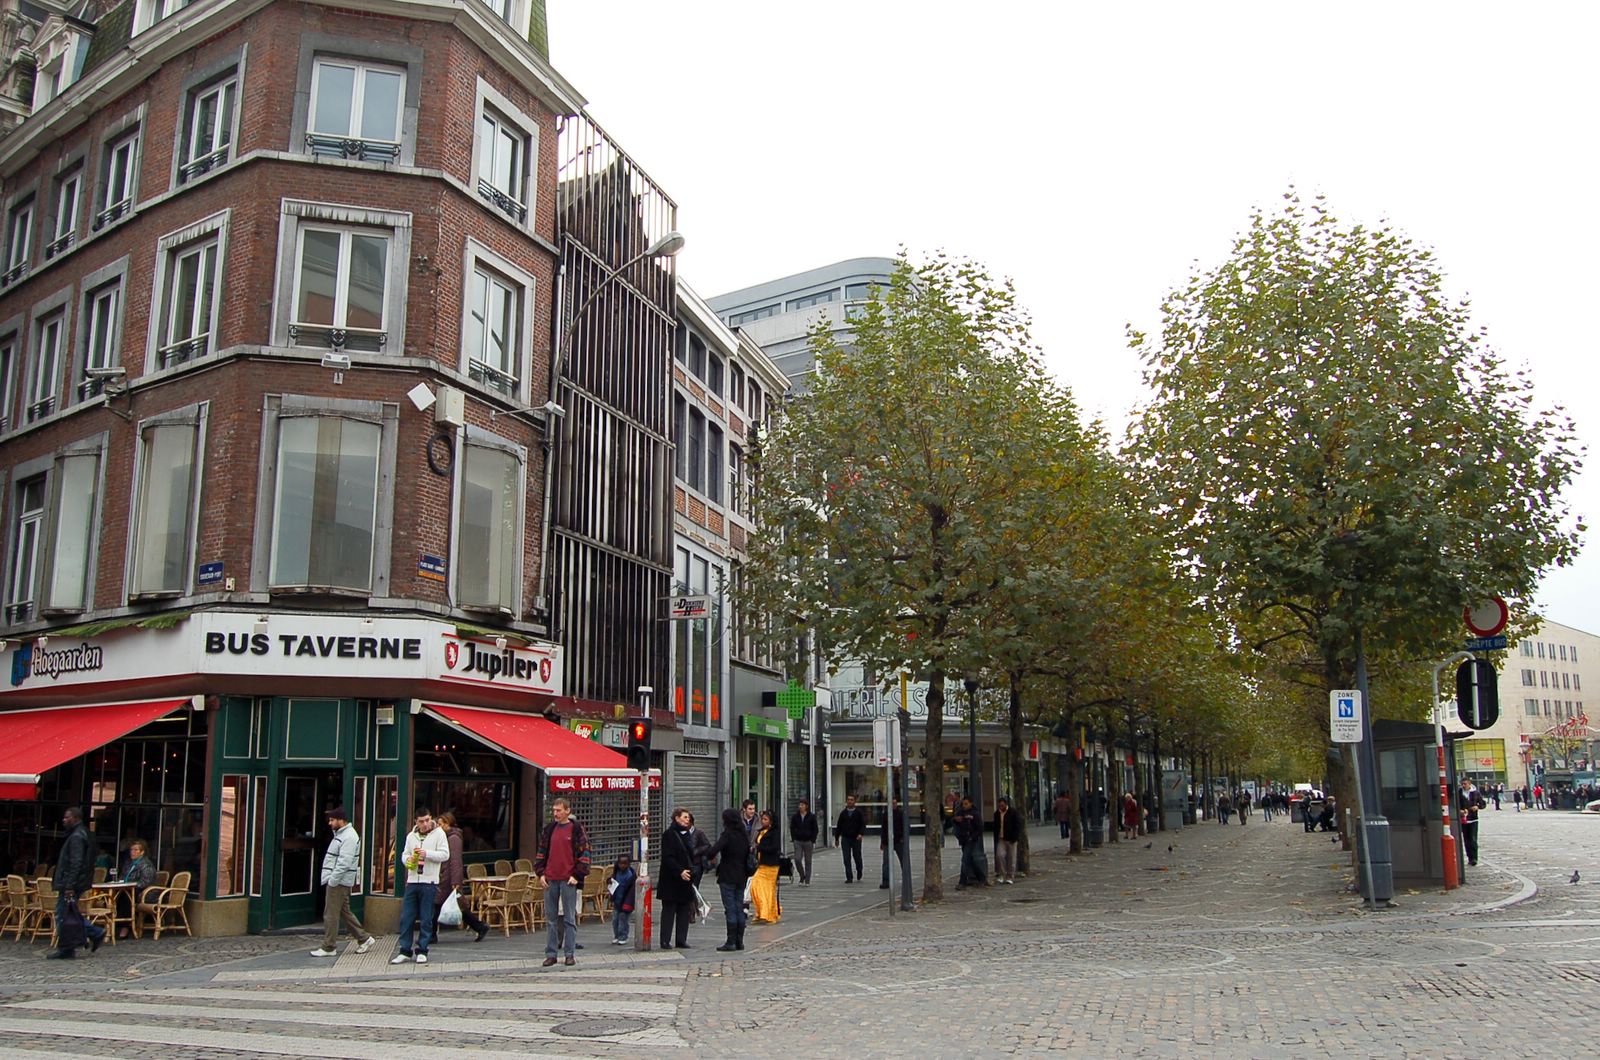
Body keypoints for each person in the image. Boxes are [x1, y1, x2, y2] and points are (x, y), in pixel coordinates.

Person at [312, 807, 377, 957]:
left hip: (339, 881)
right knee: (344, 912)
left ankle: (329, 947)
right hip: (340, 880)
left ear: (341, 820)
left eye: (332, 820)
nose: (329, 823)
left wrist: (332, 880)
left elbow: (344, 862)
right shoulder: (343, 835)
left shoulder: (348, 837)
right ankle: (364, 938)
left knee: (331, 914)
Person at [534, 796, 590, 967]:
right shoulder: (549, 829)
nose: (556, 814)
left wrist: (577, 875)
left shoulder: (576, 829)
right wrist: (541, 873)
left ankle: (569, 953)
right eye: (554, 810)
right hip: (550, 878)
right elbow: (542, 851)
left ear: (567, 811)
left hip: (568, 879)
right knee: (551, 919)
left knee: (569, 918)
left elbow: (585, 852)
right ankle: (551, 953)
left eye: (559, 810)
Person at [47, 806, 106, 959]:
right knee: (68, 913)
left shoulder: (77, 837)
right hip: (75, 881)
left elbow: (76, 863)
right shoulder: (81, 833)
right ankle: (72, 945)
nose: (64, 820)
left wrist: (69, 885)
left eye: (67, 817)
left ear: (75, 818)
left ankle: (85, 938)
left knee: (63, 914)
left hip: (72, 882)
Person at [391, 807, 448, 964]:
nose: (425, 824)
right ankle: (405, 950)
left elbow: (445, 854)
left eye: (427, 820)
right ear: (416, 821)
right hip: (412, 880)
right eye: (421, 821)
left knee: (426, 918)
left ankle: (423, 950)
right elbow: (404, 854)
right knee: (406, 917)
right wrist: (407, 860)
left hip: (429, 882)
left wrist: (426, 853)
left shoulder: (439, 834)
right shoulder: (411, 836)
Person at [433, 811, 489, 943]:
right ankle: (480, 926)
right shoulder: (445, 837)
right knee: (455, 905)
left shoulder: (453, 838)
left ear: (447, 824)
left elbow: (455, 860)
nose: (438, 827)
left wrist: (455, 880)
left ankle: (431, 935)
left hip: (448, 878)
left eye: (440, 824)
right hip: (445, 876)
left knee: (436, 905)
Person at [706, 808, 751, 951]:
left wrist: (708, 855)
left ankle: (731, 941)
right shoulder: (744, 835)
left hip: (728, 875)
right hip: (742, 875)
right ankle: (739, 941)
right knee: (739, 907)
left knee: (730, 908)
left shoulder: (727, 835)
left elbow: (713, 851)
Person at [658, 807, 698, 949]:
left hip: (686, 879)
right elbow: (667, 857)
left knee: (684, 910)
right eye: (685, 817)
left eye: (688, 817)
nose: (687, 820)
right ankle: (665, 940)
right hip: (671, 879)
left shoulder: (688, 835)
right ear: (677, 818)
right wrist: (679, 870)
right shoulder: (669, 834)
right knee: (669, 910)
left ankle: (681, 939)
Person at [116, 838, 157, 939]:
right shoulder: (128, 863)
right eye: (131, 850)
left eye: (136, 850)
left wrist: (130, 885)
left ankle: (125, 926)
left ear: (142, 852)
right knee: (114, 895)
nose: (132, 852)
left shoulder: (146, 865)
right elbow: (122, 876)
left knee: (125, 897)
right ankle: (114, 922)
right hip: (127, 890)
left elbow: (145, 882)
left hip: (143, 893)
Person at [751, 810, 783, 924]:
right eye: (762, 819)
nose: (763, 821)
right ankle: (762, 912)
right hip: (762, 864)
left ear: (771, 821)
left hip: (771, 865)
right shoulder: (762, 831)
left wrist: (760, 847)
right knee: (755, 887)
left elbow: (774, 847)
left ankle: (768, 914)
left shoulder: (774, 832)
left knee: (767, 890)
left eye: (765, 819)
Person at [952, 795, 986, 887]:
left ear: (971, 804)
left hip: (971, 839)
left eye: (966, 804)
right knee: (970, 860)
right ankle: (981, 877)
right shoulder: (961, 812)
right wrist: (956, 820)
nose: (964, 806)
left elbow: (980, 828)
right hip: (963, 839)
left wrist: (972, 837)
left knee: (965, 860)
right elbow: (955, 822)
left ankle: (962, 882)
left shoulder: (975, 813)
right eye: (963, 804)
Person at [836, 794, 866, 883]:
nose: (850, 801)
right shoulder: (843, 813)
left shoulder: (859, 813)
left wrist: (861, 834)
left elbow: (863, 824)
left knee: (857, 856)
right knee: (846, 858)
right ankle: (849, 877)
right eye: (848, 800)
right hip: (845, 838)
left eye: (851, 800)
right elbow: (839, 826)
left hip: (856, 838)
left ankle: (859, 870)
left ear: (854, 802)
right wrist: (837, 838)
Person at [879, 797, 908, 889]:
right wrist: (882, 841)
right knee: (886, 862)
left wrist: (903, 838)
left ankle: (906, 878)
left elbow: (906, 826)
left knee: (903, 860)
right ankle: (886, 881)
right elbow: (883, 828)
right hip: (887, 841)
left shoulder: (901, 814)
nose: (893, 805)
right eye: (891, 803)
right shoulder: (886, 814)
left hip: (899, 841)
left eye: (894, 803)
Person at [608, 853, 636, 945]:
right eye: (621, 863)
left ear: (628, 864)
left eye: (625, 863)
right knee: (615, 920)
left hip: (625, 902)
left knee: (623, 920)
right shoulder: (616, 873)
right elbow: (612, 882)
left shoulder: (629, 875)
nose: (622, 865)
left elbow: (631, 891)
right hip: (617, 900)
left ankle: (623, 936)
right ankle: (616, 935)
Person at [790, 799, 818, 886]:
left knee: (808, 861)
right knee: (797, 859)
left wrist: (813, 840)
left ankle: (807, 880)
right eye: (799, 805)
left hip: (808, 841)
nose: (800, 806)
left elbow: (815, 829)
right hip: (798, 841)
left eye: (802, 805)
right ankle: (802, 876)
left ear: (806, 806)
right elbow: (792, 827)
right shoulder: (795, 816)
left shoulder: (811, 816)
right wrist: (793, 838)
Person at [993, 796, 1021, 884]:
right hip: (1001, 838)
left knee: (1011, 858)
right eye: (999, 806)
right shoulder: (997, 814)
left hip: (1011, 839)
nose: (1001, 807)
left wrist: (1015, 837)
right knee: (999, 856)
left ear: (1006, 805)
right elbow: (995, 826)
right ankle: (1002, 874)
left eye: (1002, 805)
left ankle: (1010, 876)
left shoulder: (1013, 812)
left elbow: (1017, 825)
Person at [1459, 780, 1486, 866]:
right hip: (1464, 819)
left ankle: (1474, 858)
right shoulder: (1459, 793)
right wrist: (1460, 811)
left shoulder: (1475, 793)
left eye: (1465, 784)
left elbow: (1483, 804)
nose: (1463, 785)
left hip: (1473, 819)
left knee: (1473, 839)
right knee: (1466, 840)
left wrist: (1477, 807)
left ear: (1469, 784)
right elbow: (1454, 804)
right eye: (1462, 784)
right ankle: (1470, 857)